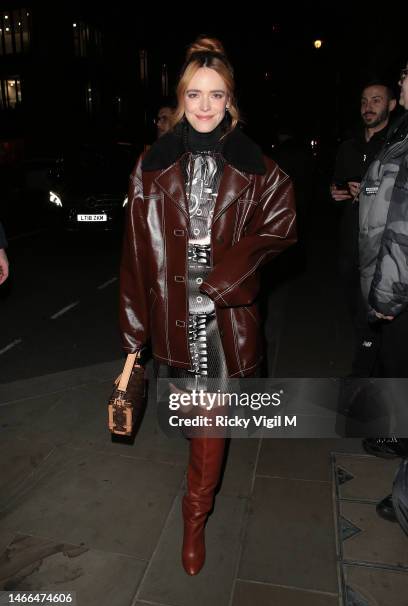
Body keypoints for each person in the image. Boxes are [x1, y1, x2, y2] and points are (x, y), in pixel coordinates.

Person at [119, 37, 296, 575]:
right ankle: (197, 481)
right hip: (171, 310)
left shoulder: (257, 167)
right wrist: (132, 345)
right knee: (189, 416)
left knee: (209, 421)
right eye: (193, 94)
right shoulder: (151, 165)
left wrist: (226, 276)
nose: (203, 106)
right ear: (179, 100)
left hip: (223, 315)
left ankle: (194, 521)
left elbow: (283, 226)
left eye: (215, 95)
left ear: (230, 103)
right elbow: (133, 257)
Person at [358, 61, 408, 518]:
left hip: (395, 283)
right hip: (381, 272)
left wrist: (387, 294)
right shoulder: (398, 138)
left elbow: (403, 222)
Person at [331, 82, 396, 360]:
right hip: (349, 242)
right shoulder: (348, 146)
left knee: (374, 315)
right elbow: (337, 185)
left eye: (376, 100)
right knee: (355, 308)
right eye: (364, 101)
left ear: (391, 105)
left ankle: (368, 371)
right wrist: (337, 192)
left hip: (382, 245)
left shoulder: (395, 147)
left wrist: (373, 192)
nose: (368, 107)